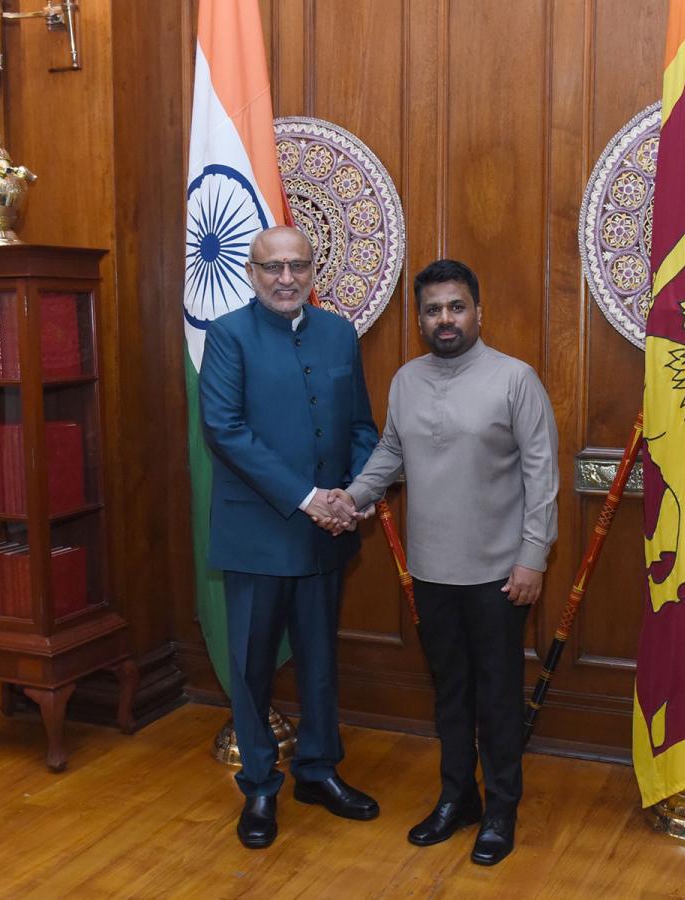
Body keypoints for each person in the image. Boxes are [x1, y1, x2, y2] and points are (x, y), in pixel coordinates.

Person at [332, 258, 558, 866]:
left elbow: (542, 476)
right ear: (420, 320)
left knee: (498, 696)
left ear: (478, 312)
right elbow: (389, 453)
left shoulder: (515, 379)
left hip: (500, 574)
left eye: (456, 306)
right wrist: (351, 498)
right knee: (451, 694)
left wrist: (533, 558)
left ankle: (502, 808)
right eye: (432, 310)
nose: (445, 319)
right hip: (431, 571)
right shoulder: (406, 380)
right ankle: (458, 799)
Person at [198, 225, 380, 850]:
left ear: (312, 271)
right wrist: (309, 498)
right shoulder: (228, 335)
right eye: (272, 267)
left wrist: (352, 495)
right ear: (251, 273)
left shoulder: (338, 333)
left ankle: (318, 771)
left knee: (320, 660)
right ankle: (258, 786)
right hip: (257, 534)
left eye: (297, 266)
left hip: (327, 533)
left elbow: (360, 426)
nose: (285, 278)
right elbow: (225, 429)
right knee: (252, 667)